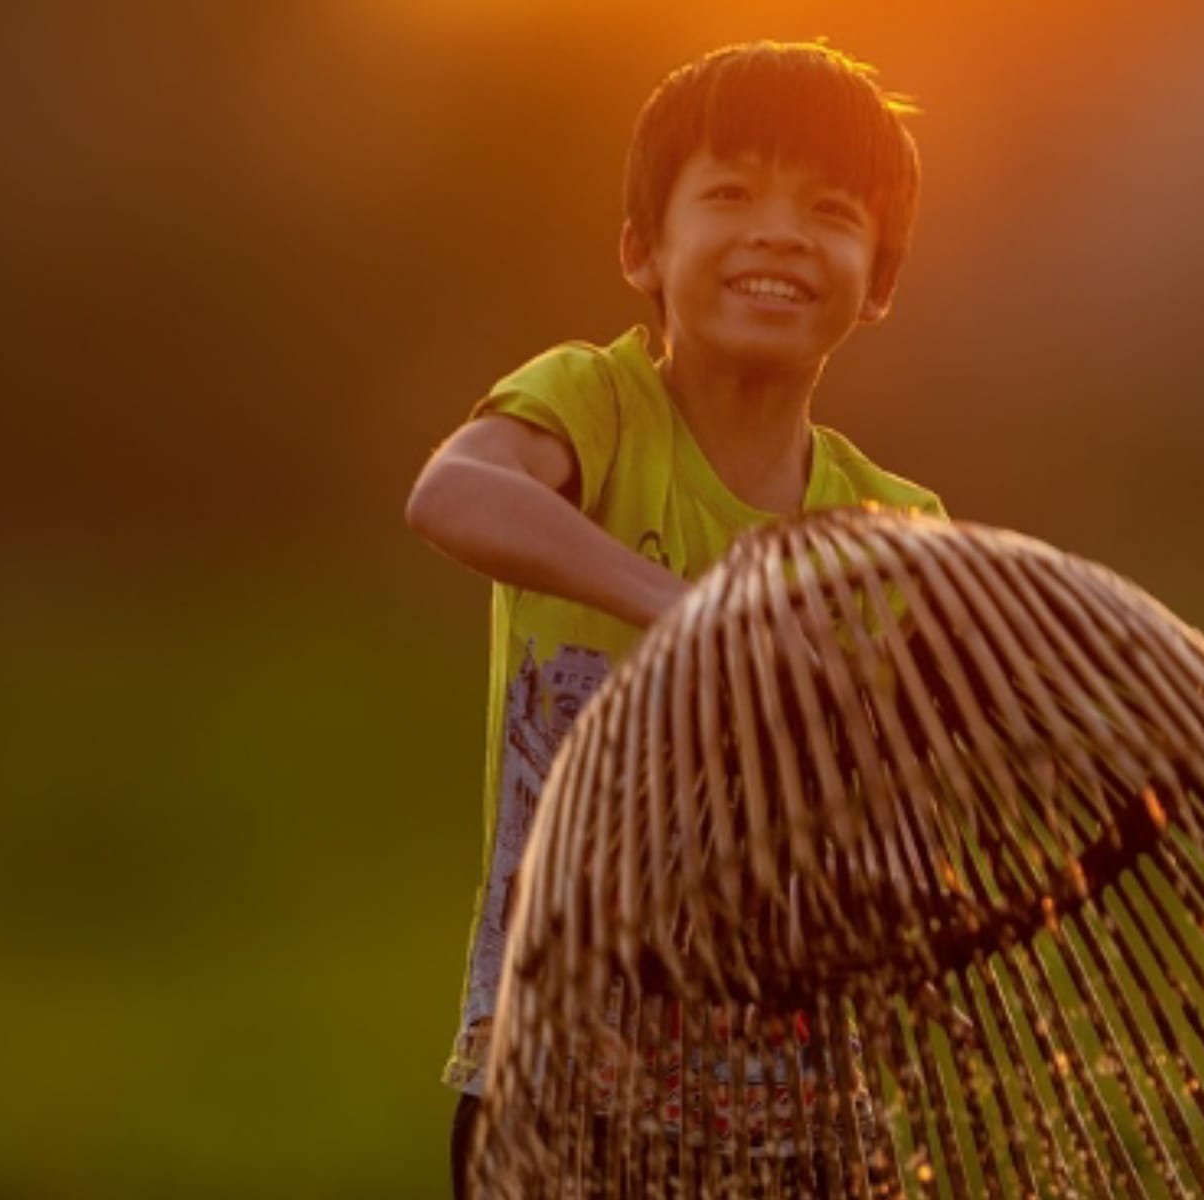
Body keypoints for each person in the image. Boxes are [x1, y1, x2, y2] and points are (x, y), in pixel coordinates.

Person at [405, 39, 944, 1198]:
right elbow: (450, 494)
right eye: (732, 195)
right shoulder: (594, 411)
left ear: (880, 279)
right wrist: (693, 613)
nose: (781, 234)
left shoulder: (894, 529)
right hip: (555, 1096)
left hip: (798, 1124)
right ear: (643, 251)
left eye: (832, 213)